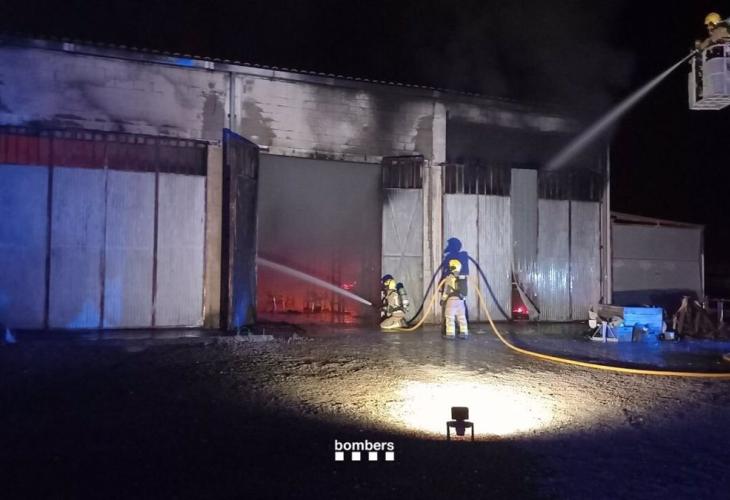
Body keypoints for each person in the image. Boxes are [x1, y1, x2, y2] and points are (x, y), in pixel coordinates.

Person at [440, 259, 468, 339]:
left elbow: (447, 291)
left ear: (452, 268)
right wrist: (463, 298)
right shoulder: (463, 278)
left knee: (450, 318)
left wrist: (443, 299)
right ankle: (464, 333)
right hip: (461, 301)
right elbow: (465, 291)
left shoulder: (449, 278)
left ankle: (450, 334)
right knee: (462, 318)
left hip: (451, 301)